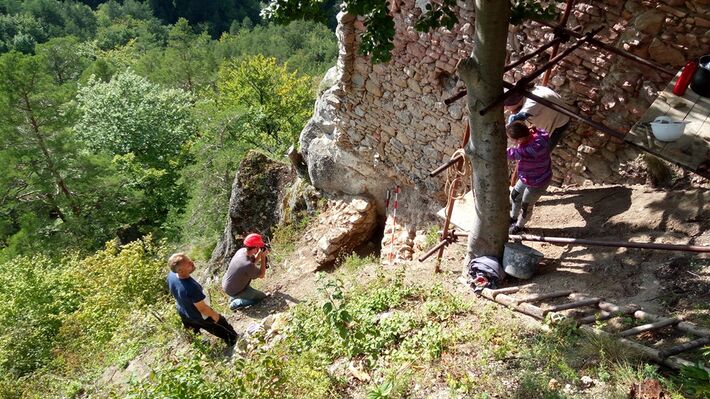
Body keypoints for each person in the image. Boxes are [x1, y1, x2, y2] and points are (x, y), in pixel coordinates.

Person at [167, 253, 238, 346]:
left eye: (189, 259)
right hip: (199, 316)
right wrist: (215, 315)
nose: (192, 262)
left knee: (195, 334)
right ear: (180, 271)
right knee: (224, 328)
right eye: (188, 263)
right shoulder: (191, 288)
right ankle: (233, 340)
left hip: (183, 311)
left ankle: (202, 345)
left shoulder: (171, 275)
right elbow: (203, 309)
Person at [506, 121, 552, 235]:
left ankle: (519, 226)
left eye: (512, 140)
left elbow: (511, 153)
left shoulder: (532, 149)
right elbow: (541, 131)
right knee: (515, 195)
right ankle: (513, 217)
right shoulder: (537, 136)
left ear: (520, 139)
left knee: (526, 205)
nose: (512, 142)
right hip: (526, 177)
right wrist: (534, 129)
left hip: (538, 182)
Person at [504, 86, 571, 151]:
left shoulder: (531, 103)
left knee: (542, 152)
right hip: (551, 115)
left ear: (513, 101)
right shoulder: (528, 92)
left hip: (559, 123)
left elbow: (515, 119)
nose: (505, 108)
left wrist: (509, 127)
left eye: (506, 105)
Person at [222, 233, 270, 310]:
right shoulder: (246, 264)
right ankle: (235, 303)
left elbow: (253, 261)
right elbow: (261, 275)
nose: (260, 247)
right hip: (235, 289)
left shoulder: (241, 251)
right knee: (261, 297)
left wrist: (260, 253)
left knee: (258, 295)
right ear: (255, 248)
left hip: (230, 282)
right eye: (259, 246)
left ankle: (234, 296)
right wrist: (263, 257)